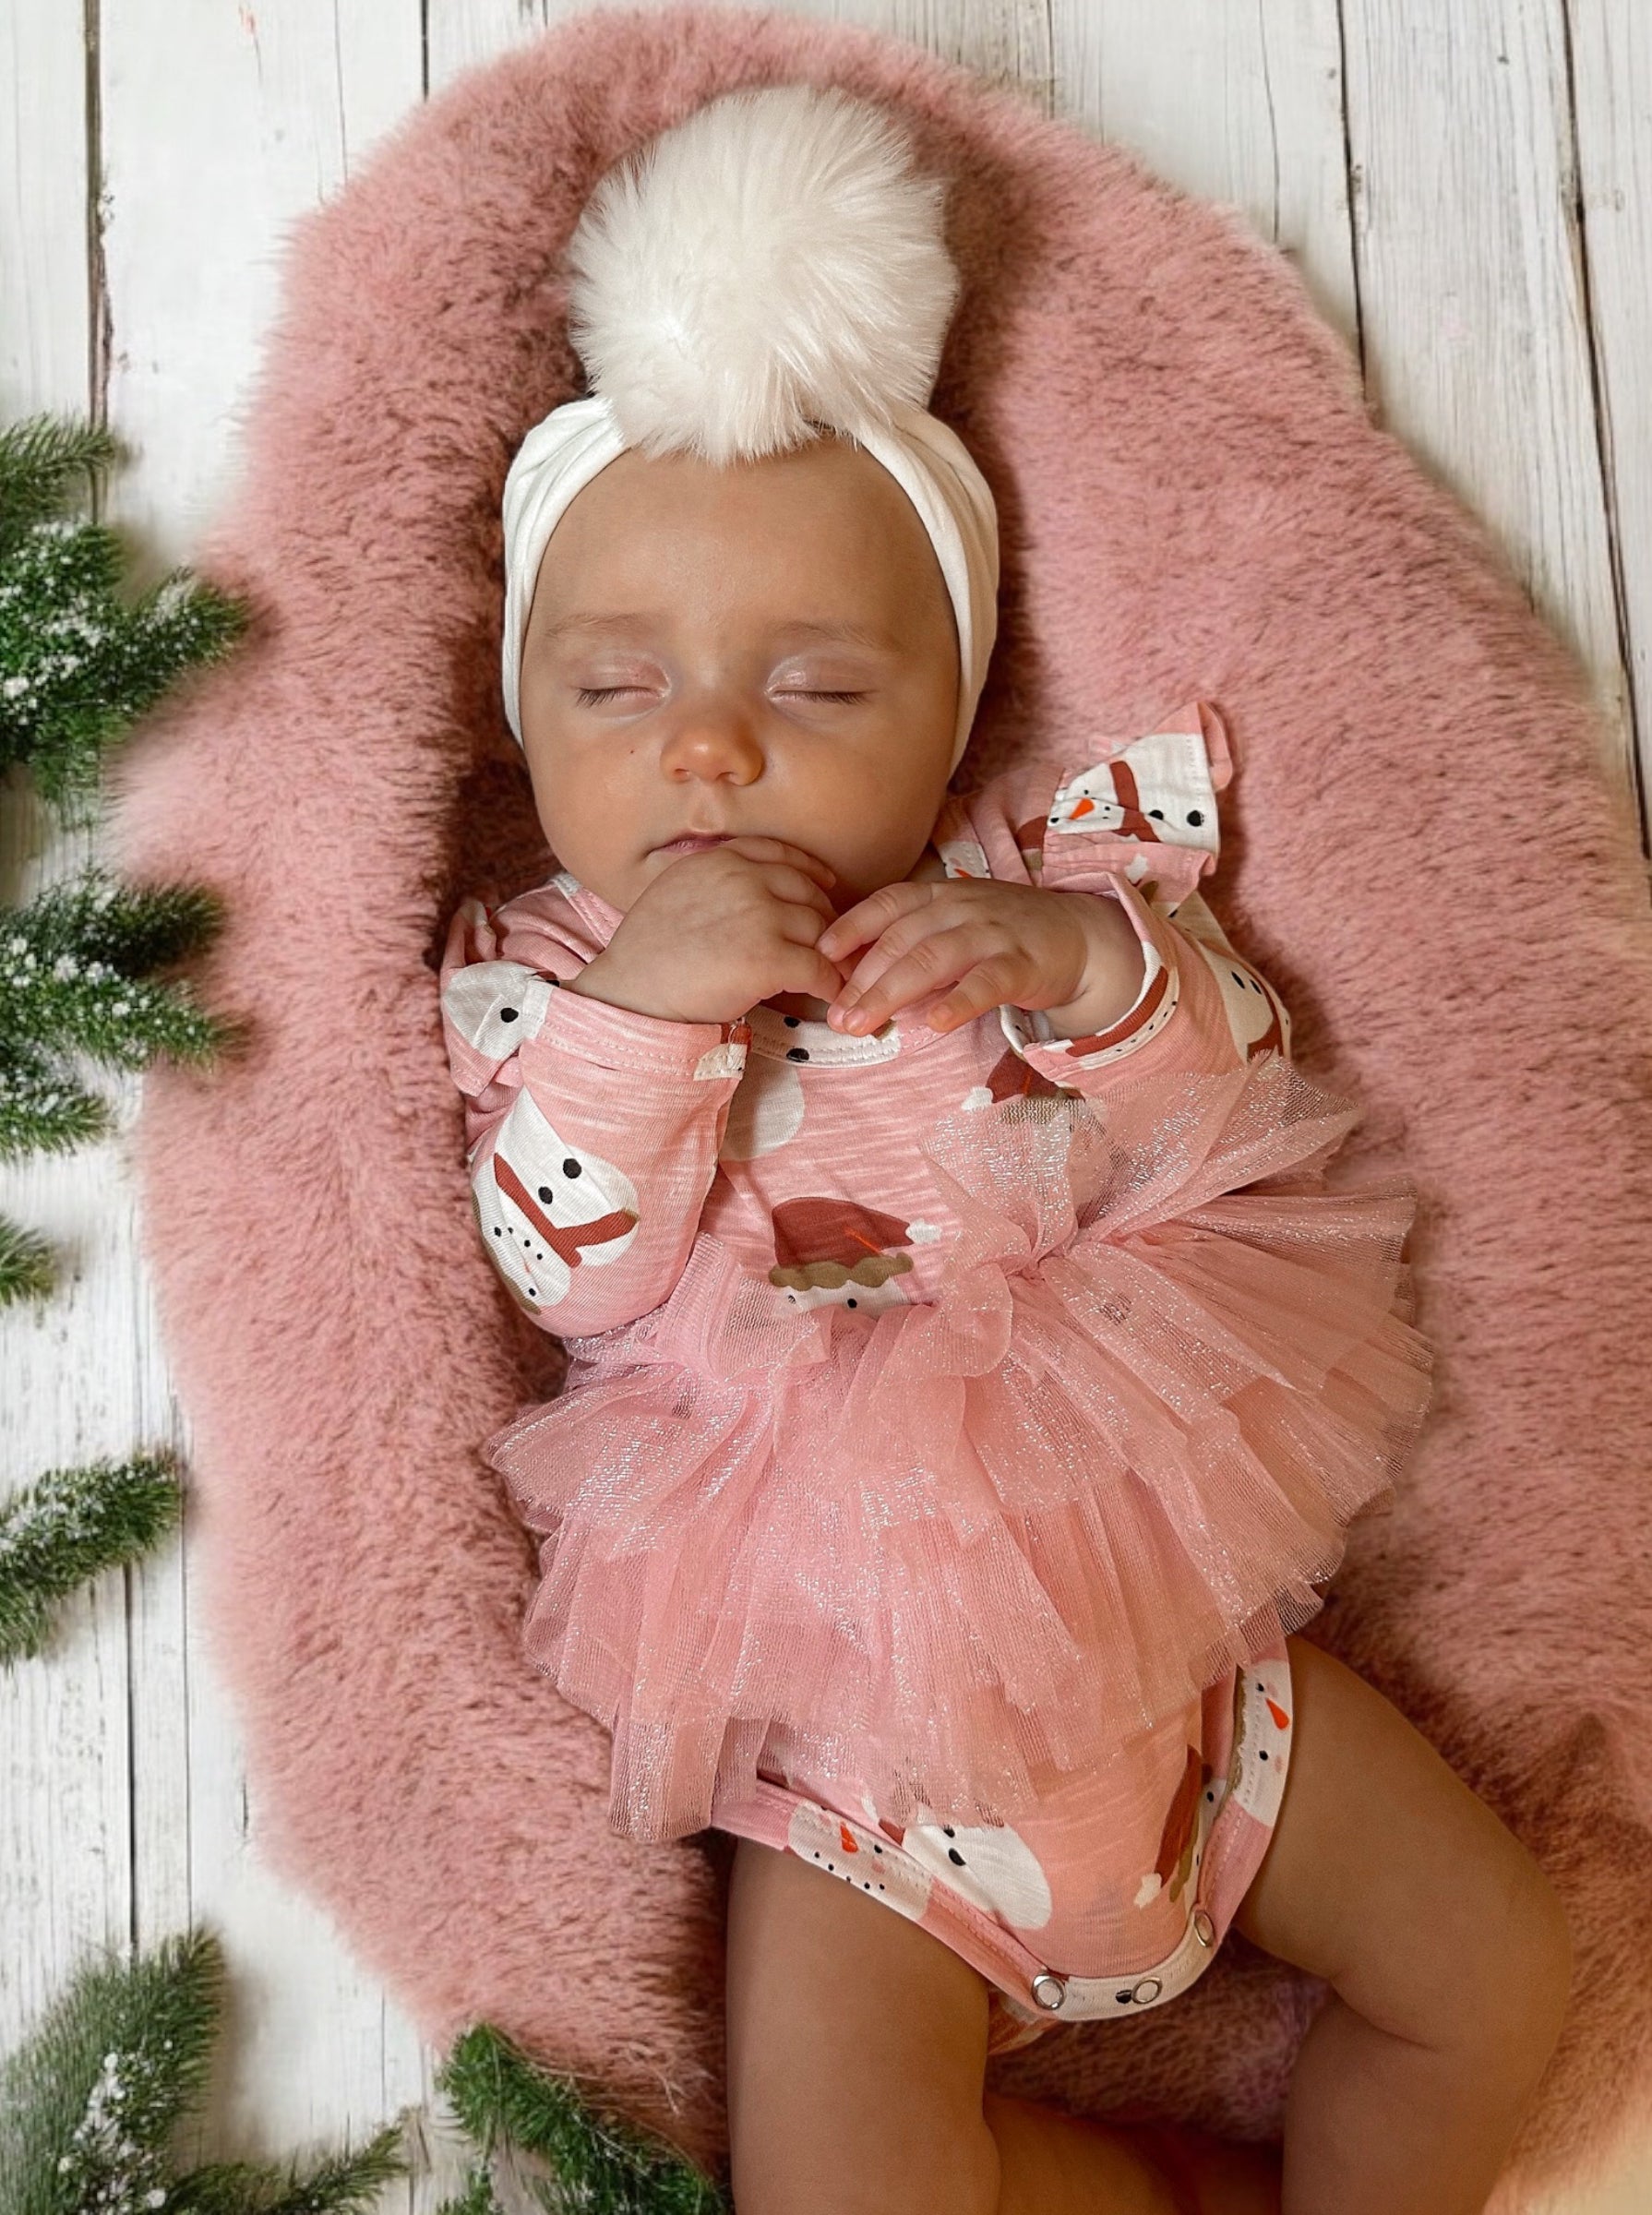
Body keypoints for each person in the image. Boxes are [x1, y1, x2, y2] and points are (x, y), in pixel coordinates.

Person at [438, 83, 1572, 2215]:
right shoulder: (547, 983)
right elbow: (559, 1261)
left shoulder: (1029, 896)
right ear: (524, 722)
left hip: (1178, 1667)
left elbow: (1238, 1101)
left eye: (816, 685)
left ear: (950, 725)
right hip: (848, 1762)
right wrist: (648, 1013)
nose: (712, 739)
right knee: (844, 2188)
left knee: (1493, 1972)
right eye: (619, 687)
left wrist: (1081, 962)